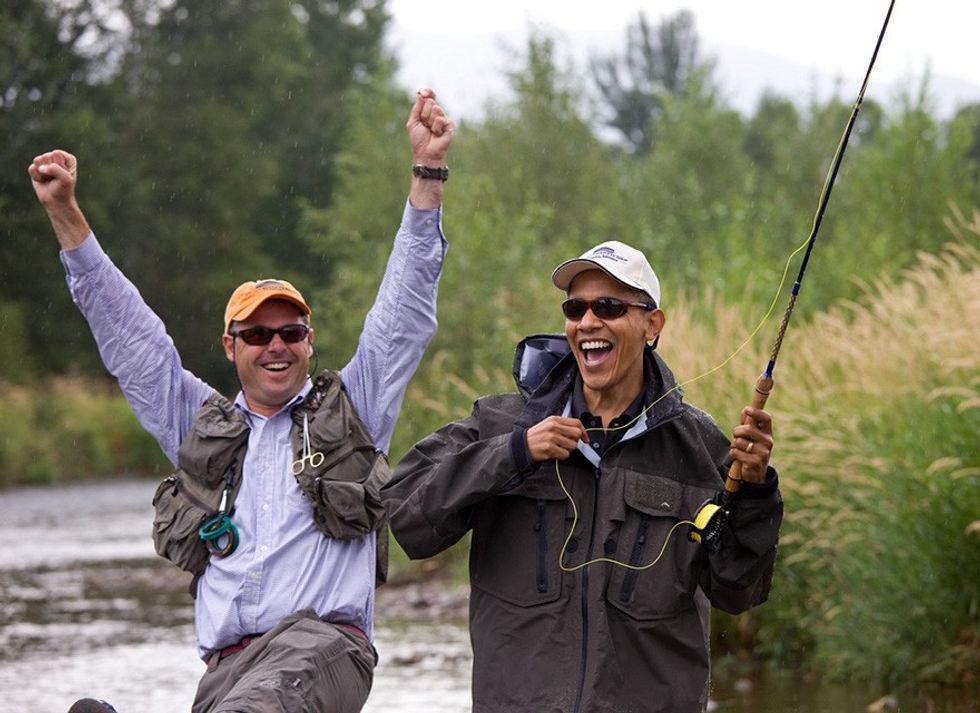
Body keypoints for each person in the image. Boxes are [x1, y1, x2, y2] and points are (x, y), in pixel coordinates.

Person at [29, 89, 453, 713]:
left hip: (323, 650)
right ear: (230, 347)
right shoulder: (198, 426)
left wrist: (427, 172)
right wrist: (65, 212)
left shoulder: (356, 410)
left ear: (309, 341)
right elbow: (131, 340)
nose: (276, 346)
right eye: (257, 335)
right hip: (227, 669)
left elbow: (403, 310)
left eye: (290, 332)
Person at [382, 240, 783, 713]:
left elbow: (737, 591)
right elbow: (406, 517)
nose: (588, 321)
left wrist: (754, 491)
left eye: (609, 307)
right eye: (575, 308)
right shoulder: (500, 425)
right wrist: (514, 453)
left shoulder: (700, 448)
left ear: (652, 324)